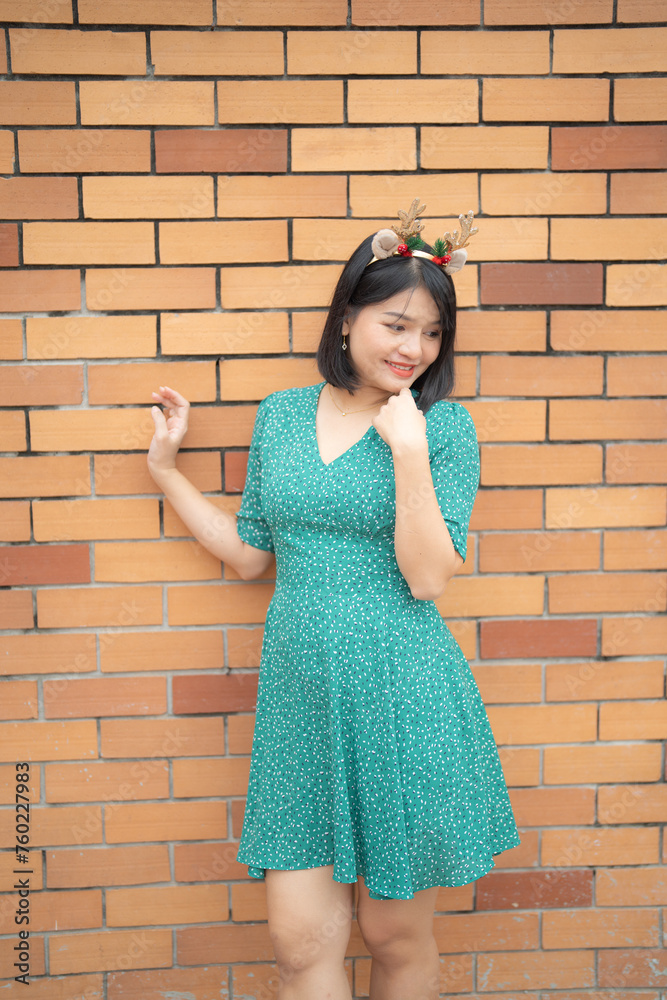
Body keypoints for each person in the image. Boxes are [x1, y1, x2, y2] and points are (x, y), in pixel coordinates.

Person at [147, 201, 520, 1000]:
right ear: (348, 316)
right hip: (301, 706)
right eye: (395, 324)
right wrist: (168, 472)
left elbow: (427, 577)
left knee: (392, 936)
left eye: (429, 334)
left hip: (402, 698)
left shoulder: (442, 430)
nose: (412, 348)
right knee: (298, 941)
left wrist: (409, 451)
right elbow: (251, 556)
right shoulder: (280, 416)